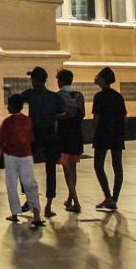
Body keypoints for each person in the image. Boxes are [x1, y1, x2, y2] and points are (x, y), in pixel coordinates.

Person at [21, 66, 61, 217]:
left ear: (34, 80)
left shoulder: (30, 94)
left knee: (26, 167)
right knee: (51, 171)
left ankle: (30, 199)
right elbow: (63, 112)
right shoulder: (54, 97)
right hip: (51, 134)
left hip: (35, 135)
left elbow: (17, 100)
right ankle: (48, 206)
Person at [0, 94, 42, 228]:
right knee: (30, 184)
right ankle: (36, 214)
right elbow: (31, 138)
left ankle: (15, 213)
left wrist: (4, 149)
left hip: (11, 156)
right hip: (26, 156)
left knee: (11, 184)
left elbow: (0, 139)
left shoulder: (7, 122)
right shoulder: (27, 120)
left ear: (11, 106)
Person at [93, 67, 127, 211]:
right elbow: (125, 117)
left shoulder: (99, 97)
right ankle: (114, 198)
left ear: (103, 79)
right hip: (117, 134)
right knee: (117, 167)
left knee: (98, 165)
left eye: (99, 76)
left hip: (103, 133)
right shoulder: (118, 96)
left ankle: (107, 196)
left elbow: (96, 118)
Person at [55, 69, 87, 213]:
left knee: (66, 167)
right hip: (77, 135)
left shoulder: (58, 97)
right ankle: (70, 199)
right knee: (73, 168)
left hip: (63, 136)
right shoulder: (79, 96)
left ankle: (76, 201)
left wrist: (60, 117)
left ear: (59, 81)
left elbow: (57, 116)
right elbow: (82, 115)